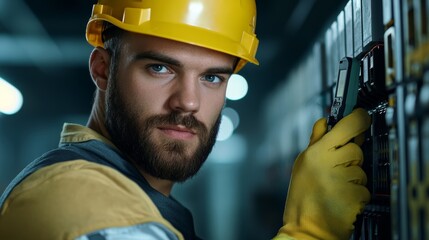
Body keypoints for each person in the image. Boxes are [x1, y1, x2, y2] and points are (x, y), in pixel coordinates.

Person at [0, 0, 371, 239]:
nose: (189, 102)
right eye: (159, 68)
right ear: (102, 69)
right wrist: (309, 232)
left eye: (212, 77)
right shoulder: (74, 198)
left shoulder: (135, 198)